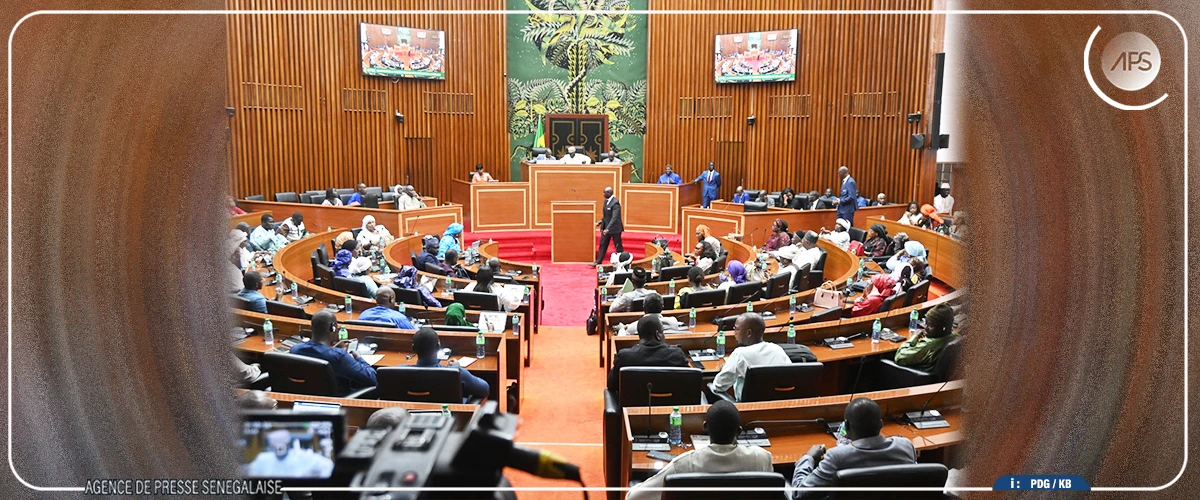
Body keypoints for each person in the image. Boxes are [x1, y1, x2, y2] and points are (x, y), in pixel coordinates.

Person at [628, 400, 773, 500]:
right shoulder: (762, 459)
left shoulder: (683, 465)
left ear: (705, 427)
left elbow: (634, 497)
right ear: (739, 431)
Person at [791, 398, 917, 498]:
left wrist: (808, 458)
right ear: (881, 424)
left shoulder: (837, 457)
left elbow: (799, 493)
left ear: (846, 426)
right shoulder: (906, 446)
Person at [290, 310, 378, 395]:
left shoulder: (295, 350)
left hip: (305, 398)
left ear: (311, 328)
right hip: (338, 401)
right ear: (333, 328)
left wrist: (334, 350)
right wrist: (359, 357)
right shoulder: (339, 356)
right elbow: (373, 379)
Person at [709, 313, 791, 401]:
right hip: (778, 405)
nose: (734, 332)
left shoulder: (740, 354)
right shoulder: (777, 349)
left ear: (748, 333)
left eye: (736, 329)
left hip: (748, 407)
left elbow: (718, 386)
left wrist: (726, 368)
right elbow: (791, 378)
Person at [609, 314, 690, 396]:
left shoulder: (624, 357)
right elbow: (690, 381)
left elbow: (611, 385)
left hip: (634, 403)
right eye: (662, 332)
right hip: (670, 403)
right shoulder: (676, 355)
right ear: (657, 334)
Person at [410, 327, 490, 403]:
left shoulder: (402, 371)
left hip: (413, 413)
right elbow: (485, 389)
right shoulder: (456, 371)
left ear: (413, 348)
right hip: (448, 413)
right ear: (438, 346)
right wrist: (457, 367)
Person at [243, 428, 334, 478]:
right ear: (271, 446)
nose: (279, 447)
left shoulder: (301, 457)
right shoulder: (263, 459)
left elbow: (328, 466)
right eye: (276, 444)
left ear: (289, 443)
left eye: (282, 443)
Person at [895, 303, 959, 372]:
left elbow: (899, 357)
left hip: (916, 375)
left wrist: (915, 337)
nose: (925, 327)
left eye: (930, 325)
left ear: (943, 328)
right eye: (926, 323)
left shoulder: (929, 346)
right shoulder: (956, 337)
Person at [618, 293, 684, 336]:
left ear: (644, 308)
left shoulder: (634, 326)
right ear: (662, 307)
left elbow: (621, 340)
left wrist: (621, 329)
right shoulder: (673, 322)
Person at [593, 186, 625, 265]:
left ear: (609, 193)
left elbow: (615, 217)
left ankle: (623, 262)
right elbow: (606, 216)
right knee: (602, 244)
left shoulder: (615, 203)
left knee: (618, 246)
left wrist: (608, 228)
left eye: (604, 192)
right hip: (606, 228)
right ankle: (598, 262)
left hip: (615, 229)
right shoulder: (606, 201)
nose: (603, 194)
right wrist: (601, 222)